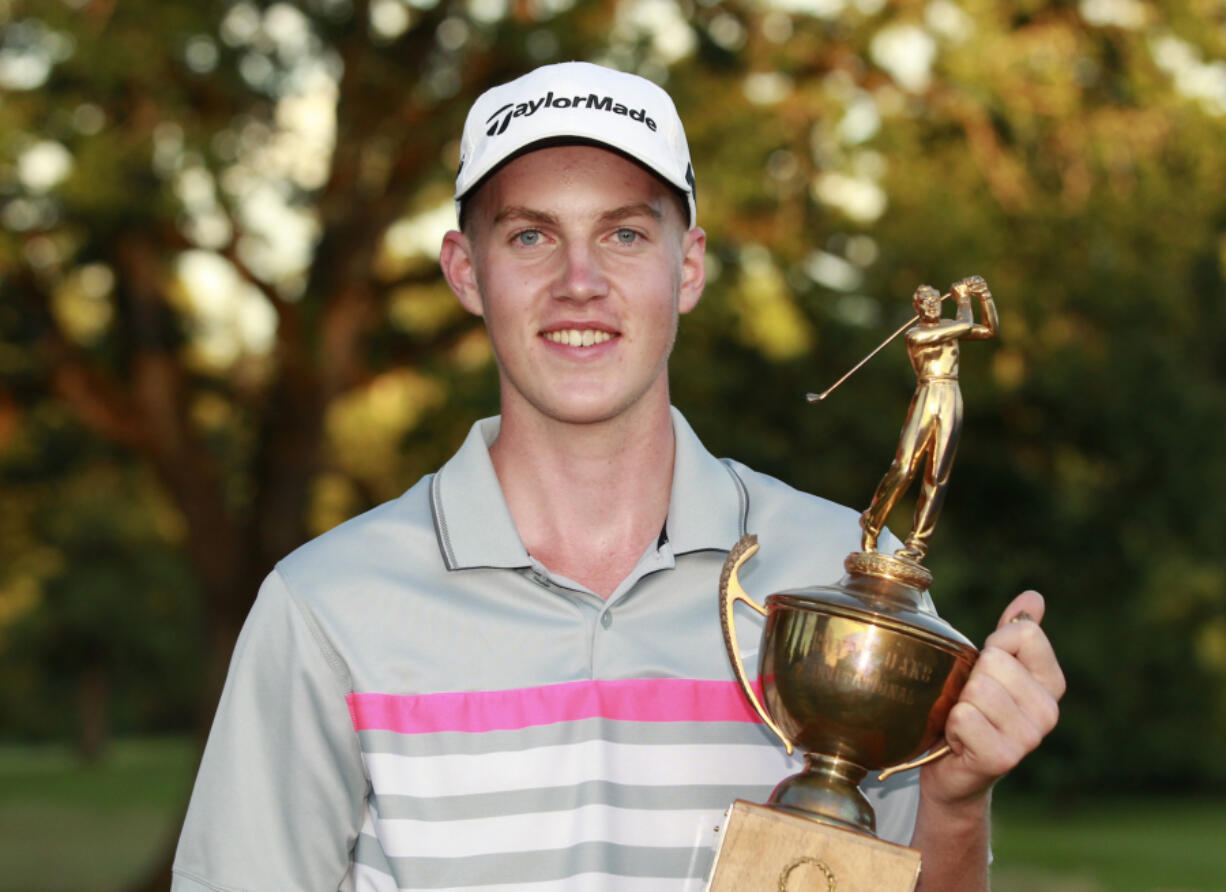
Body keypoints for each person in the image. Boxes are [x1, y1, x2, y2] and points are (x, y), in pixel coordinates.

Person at [171, 62, 1064, 892]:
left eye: (625, 234)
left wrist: (953, 801)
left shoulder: (843, 578)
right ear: (465, 271)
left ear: (688, 267)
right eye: (530, 235)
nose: (580, 281)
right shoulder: (327, 607)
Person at [861, 276, 999, 563]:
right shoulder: (915, 334)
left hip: (951, 394)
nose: (932, 305)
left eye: (935, 300)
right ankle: (872, 521)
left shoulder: (950, 327)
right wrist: (963, 299)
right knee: (904, 467)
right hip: (927, 393)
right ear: (917, 308)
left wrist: (984, 296)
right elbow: (962, 325)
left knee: (937, 475)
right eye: (925, 302)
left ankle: (917, 545)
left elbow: (989, 329)